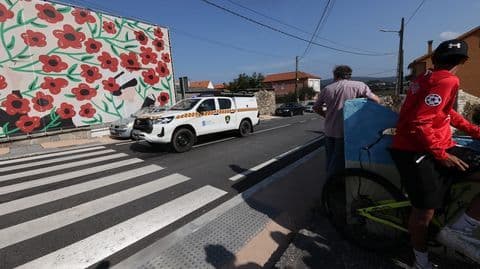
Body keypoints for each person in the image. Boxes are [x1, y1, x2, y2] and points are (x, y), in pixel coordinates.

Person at [390, 39, 480, 269]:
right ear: (462, 61)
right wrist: (441, 154)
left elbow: (446, 112)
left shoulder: (425, 77)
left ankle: (459, 229)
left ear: (435, 60)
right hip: (416, 151)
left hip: (432, 145)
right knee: (423, 214)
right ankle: (421, 262)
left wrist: (475, 131)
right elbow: (420, 122)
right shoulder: (448, 80)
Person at [313, 65, 380, 178]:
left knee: (331, 160)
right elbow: (376, 100)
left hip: (329, 131)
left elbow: (316, 107)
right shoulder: (359, 86)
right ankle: (336, 188)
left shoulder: (327, 89)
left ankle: (331, 186)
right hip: (348, 130)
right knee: (343, 162)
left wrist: (326, 115)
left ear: (335, 75)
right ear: (349, 75)